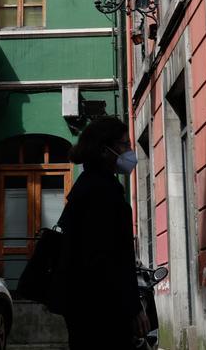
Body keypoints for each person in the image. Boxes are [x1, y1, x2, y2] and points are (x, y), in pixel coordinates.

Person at [55, 116, 150, 350]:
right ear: (105, 150)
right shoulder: (103, 192)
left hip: (84, 303)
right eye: (124, 144)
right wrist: (133, 307)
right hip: (101, 307)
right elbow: (110, 257)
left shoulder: (87, 186)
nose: (129, 151)